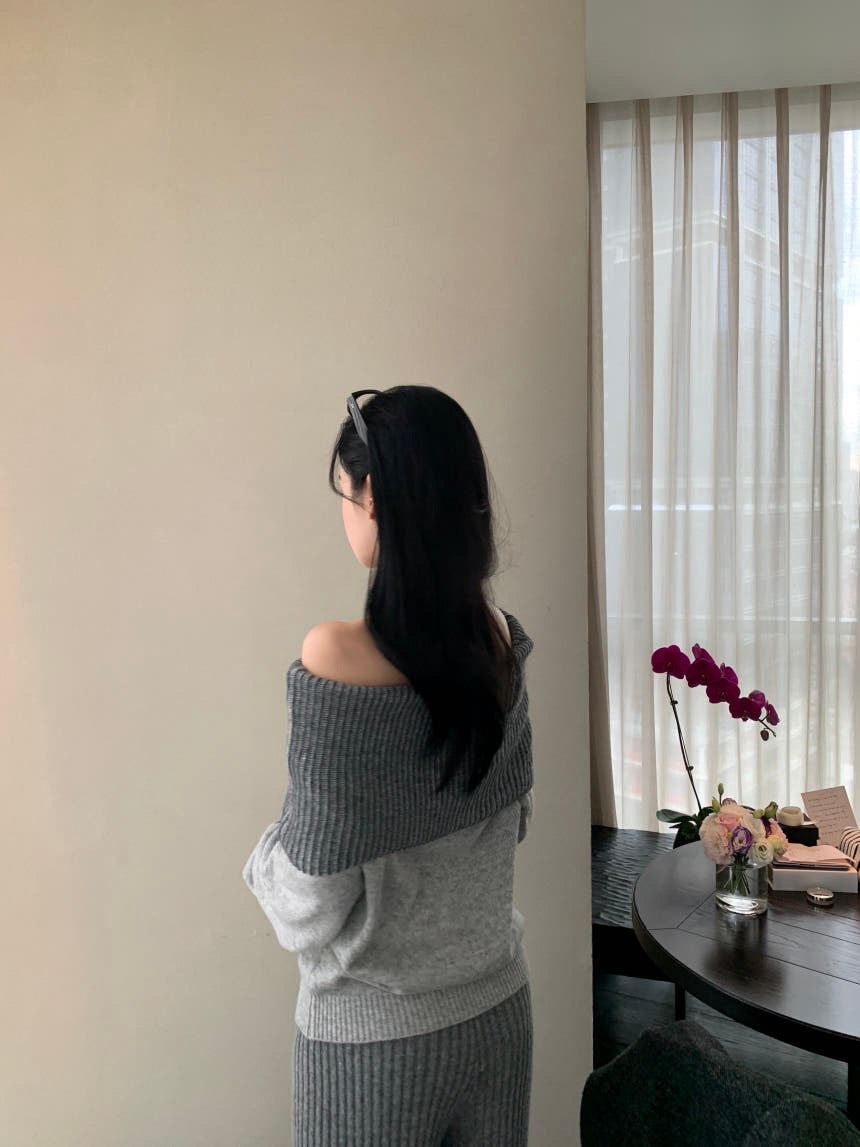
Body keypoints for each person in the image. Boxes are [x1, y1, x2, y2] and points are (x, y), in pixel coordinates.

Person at [242, 386, 535, 1146]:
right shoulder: (499, 641)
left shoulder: (334, 658)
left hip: (373, 1044)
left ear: (372, 496)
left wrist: (262, 860)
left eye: (344, 492)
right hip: (499, 1013)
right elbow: (511, 824)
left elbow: (306, 904)